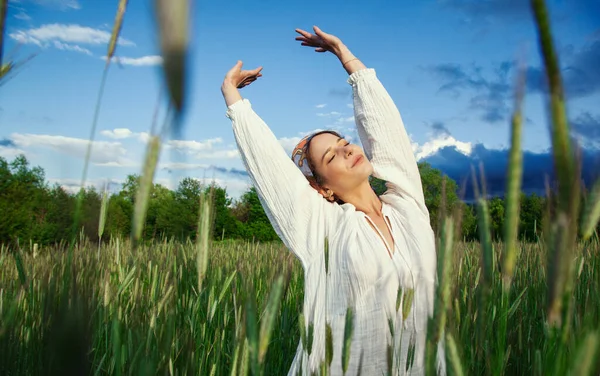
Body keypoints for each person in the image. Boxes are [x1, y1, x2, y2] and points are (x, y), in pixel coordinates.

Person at [221, 26, 445, 376]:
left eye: (344, 143)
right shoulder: (323, 229)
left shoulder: (408, 206)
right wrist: (233, 98)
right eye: (331, 157)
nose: (347, 150)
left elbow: (387, 132)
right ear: (323, 189)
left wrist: (345, 55)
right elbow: (270, 169)